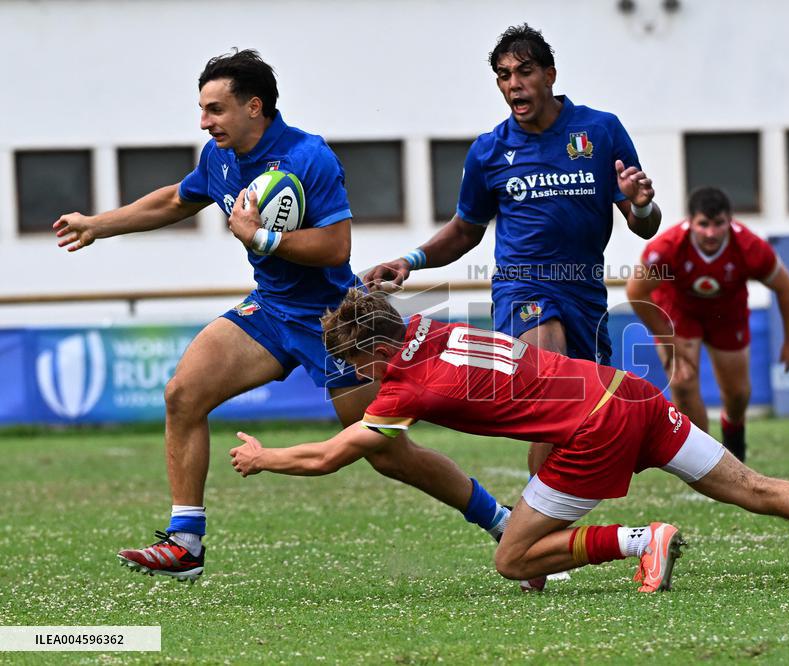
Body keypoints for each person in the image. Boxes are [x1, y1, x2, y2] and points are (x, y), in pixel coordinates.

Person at [52, 49, 510, 582]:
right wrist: (98, 225)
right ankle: (185, 542)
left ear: (254, 106)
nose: (204, 121)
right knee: (182, 395)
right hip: (269, 310)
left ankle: (501, 520)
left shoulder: (309, 157)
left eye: (215, 109)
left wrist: (261, 238)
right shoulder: (219, 157)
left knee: (387, 453)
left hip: (337, 323)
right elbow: (177, 200)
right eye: (202, 109)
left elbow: (336, 248)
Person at [229, 290, 789, 591]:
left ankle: (643, 540)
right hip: (628, 393)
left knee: (512, 559)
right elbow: (377, 317)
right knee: (753, 488)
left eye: (355, 362)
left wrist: (264, 459)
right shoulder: (429, 324)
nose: (356, 375)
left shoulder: (403, 387)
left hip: (594, 431)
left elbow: (331, 454)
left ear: (375, 351)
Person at [364, 24, 661, 481]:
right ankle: (536, 515)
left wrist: (640, 204)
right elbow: (465, 230)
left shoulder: (600, 131)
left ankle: (543, 512)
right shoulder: (490, 150)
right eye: (504, 76)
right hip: (523, 287)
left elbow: (645, 226)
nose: (514, 84)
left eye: (524, 72)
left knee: (579, 420)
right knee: (553, 387)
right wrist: (410, 260)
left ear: (550, 75)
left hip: (583, 292)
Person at [626, 187, 789, 461]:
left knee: (738, 394)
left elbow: (786, 287)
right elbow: (636, 291)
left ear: (730, 221)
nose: (710, 233)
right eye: (703, 224)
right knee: (683, 383)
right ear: (690, 222)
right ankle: (703, 461)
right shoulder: (669, 246)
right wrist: (670, 340)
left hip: (728, 315)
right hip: (680, 314)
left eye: (718, 224)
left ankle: (733, 431)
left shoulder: (749, 247)